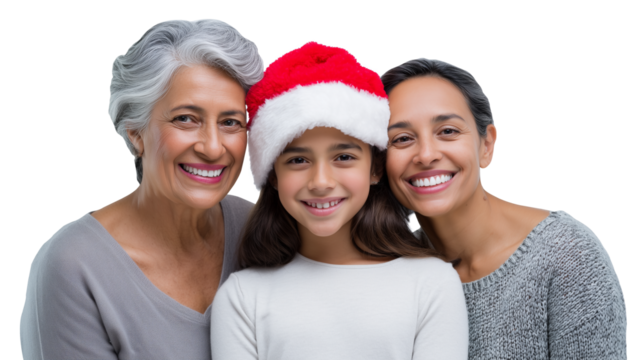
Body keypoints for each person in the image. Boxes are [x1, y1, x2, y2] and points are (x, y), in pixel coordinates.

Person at [19, 18, 263, 359]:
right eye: (185, 119)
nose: (212, 147)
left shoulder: (259, 228)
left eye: (230, 122)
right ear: (135, 131)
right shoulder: (73, 265)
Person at [210, 40, 468, 360]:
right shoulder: (242, 297)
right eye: (298, 161)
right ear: (273, 177)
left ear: (374, 168)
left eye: (343, 156)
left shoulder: (431, 282)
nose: (321, 182)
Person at [382, 57, 628, 359]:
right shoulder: (398, 274)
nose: (426, 154)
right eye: (402, 138)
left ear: (487, 145)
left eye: (447, 131)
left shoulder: (567, 256)